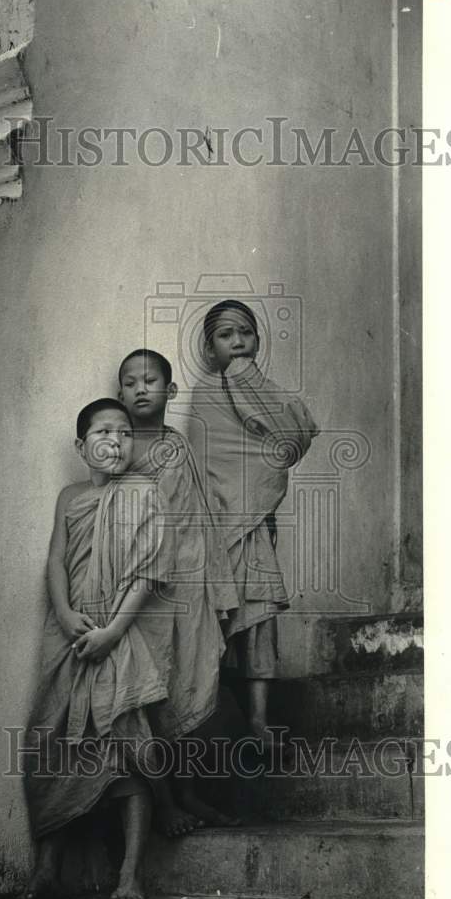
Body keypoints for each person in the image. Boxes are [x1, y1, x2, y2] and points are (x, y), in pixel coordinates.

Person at [23, 398, 174, 899]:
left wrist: (112, 632)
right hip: (70, 634)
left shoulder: (146, 493)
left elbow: (148, 572)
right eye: (104, 432)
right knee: (53, 743)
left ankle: (130, 873)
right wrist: (65, 615)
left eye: (125, 433)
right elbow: (56, 560)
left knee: (129, 751)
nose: (116, 441)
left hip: (118, 633)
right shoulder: (70, 496)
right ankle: (47, 868)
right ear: (81, 445)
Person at [117, 348, 243, 828]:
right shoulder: (122, 447)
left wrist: (217, 589)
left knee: (186, 692)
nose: (140, 388)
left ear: (170, 391)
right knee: (149, 694)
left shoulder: (179, 447)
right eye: (129, 382)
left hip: (188, 587)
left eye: (149, 380)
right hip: (141, 592)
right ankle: (164, 802)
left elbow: (201, 522)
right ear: (120, 393)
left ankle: (187, 794)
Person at [186, 300, 318, 743]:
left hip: (255, 524)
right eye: (226, 335)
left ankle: (259, 720)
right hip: (217, 527)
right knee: (218, 621)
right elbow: (204, 463)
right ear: (209, 349)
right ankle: (214, 721)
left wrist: (249, 382)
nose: (238, 341)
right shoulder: (206, 393)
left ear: (258, 340)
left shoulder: (265, 386)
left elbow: (289, 437)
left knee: (259, 616)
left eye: (246, 332)